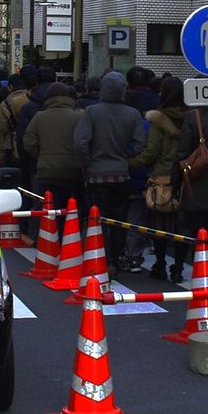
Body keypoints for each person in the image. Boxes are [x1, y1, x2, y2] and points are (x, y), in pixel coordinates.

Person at [73, 72, 145, 272]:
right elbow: (140, 144)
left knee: (97, 219)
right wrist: (125, 155)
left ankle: (100, 259)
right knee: (119, 220)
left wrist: (86, 163)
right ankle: (116, 257)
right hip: (122, 174)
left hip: (96, 173)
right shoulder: (133, 114)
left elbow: (80, 143)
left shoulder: (91, 112)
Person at [126, 77, 191, 282]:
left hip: (162, 175)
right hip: (188, 176)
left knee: (160, 224)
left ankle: (160, 264)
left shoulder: (158, 119)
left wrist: (130, 163)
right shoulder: (192, 118)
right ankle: (179, 268)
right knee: (182, 226)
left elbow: (151, 151)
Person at [22, 82, 87, 212]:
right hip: (72, 172)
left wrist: (42, 155)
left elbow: (28, 143)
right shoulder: (79, 117)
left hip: (45, 171)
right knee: (69, 213)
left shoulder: (39, 117)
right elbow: (83, 143)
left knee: (45, 211)